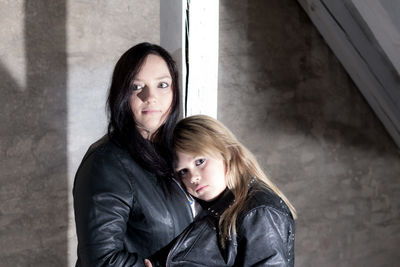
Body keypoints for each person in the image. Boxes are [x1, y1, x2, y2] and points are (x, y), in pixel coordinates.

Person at [73, 42, 193, 266]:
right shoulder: (106, 163)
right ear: (121, 94)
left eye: (163, 85)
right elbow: (101, 260)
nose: (150, 96)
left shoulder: (179, 153)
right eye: (137, 87)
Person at [145, 115, 297, 267]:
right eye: (183, 171)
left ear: (227, 152)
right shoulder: (216, 208)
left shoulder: (259, 212)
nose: (193, 178)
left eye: (200, 161)